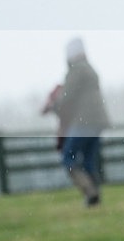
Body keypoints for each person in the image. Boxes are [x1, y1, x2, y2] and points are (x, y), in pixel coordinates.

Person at [43, 37, 110, 207]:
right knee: (88, 159)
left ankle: (91, 193)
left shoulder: (76, 71)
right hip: (98, 121)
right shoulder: (89, 69)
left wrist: (52, 106)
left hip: (83, 122)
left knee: (68, 157)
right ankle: (95, 198)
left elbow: (67, 97)